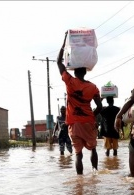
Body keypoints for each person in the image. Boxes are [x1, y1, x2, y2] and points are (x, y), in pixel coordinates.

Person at [57, 31, 103, 175]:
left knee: (78, 154)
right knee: (93, 148)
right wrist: (91, 116)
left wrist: (65, 41)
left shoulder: (70, 82)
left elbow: (59, 62)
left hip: (74, 124)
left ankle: (80, 180)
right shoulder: (93, 87)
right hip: (88, 122)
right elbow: (100, 107)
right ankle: (95, 173)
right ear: (85, 72)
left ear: (75, 72)